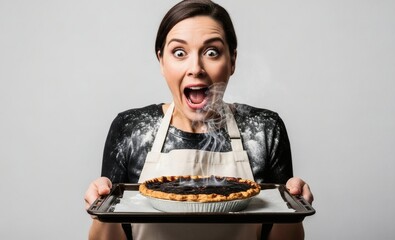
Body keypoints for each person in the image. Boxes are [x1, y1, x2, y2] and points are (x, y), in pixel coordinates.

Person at [84, 0, 314, 239]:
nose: (196, 68)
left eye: (212, 52)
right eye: (179, 53)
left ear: (232, 61)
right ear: (162, 61)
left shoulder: (265, 129)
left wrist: (294, 211)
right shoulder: (130, 128)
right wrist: (99, 211)